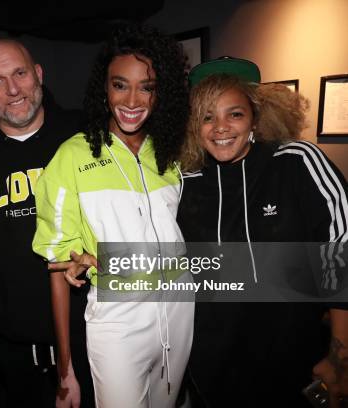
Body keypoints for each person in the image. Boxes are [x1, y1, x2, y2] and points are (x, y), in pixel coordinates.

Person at [32, 24, 194, 407]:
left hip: (180, 310)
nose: (133, 99)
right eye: (120, 85)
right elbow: (58, 267)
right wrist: (66, 369)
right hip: (118, 324)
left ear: (160, 94)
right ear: (104, 91)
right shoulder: (72, 157)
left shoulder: (168, 155)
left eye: (147, 87)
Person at [177, 57, 348, 407]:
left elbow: (340, 251)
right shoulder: (183, 183)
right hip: (212, 371)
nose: (220, 127)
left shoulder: (296, 162)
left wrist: (339, 358)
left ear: (256, 116)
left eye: (234, 114)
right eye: (207, 117)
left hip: (295, 365)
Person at [0, 39, 94, 407]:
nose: (13, 89)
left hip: (94, 335)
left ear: (38, 75)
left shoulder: (85, 133)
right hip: (14, 351)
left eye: (19, 73)